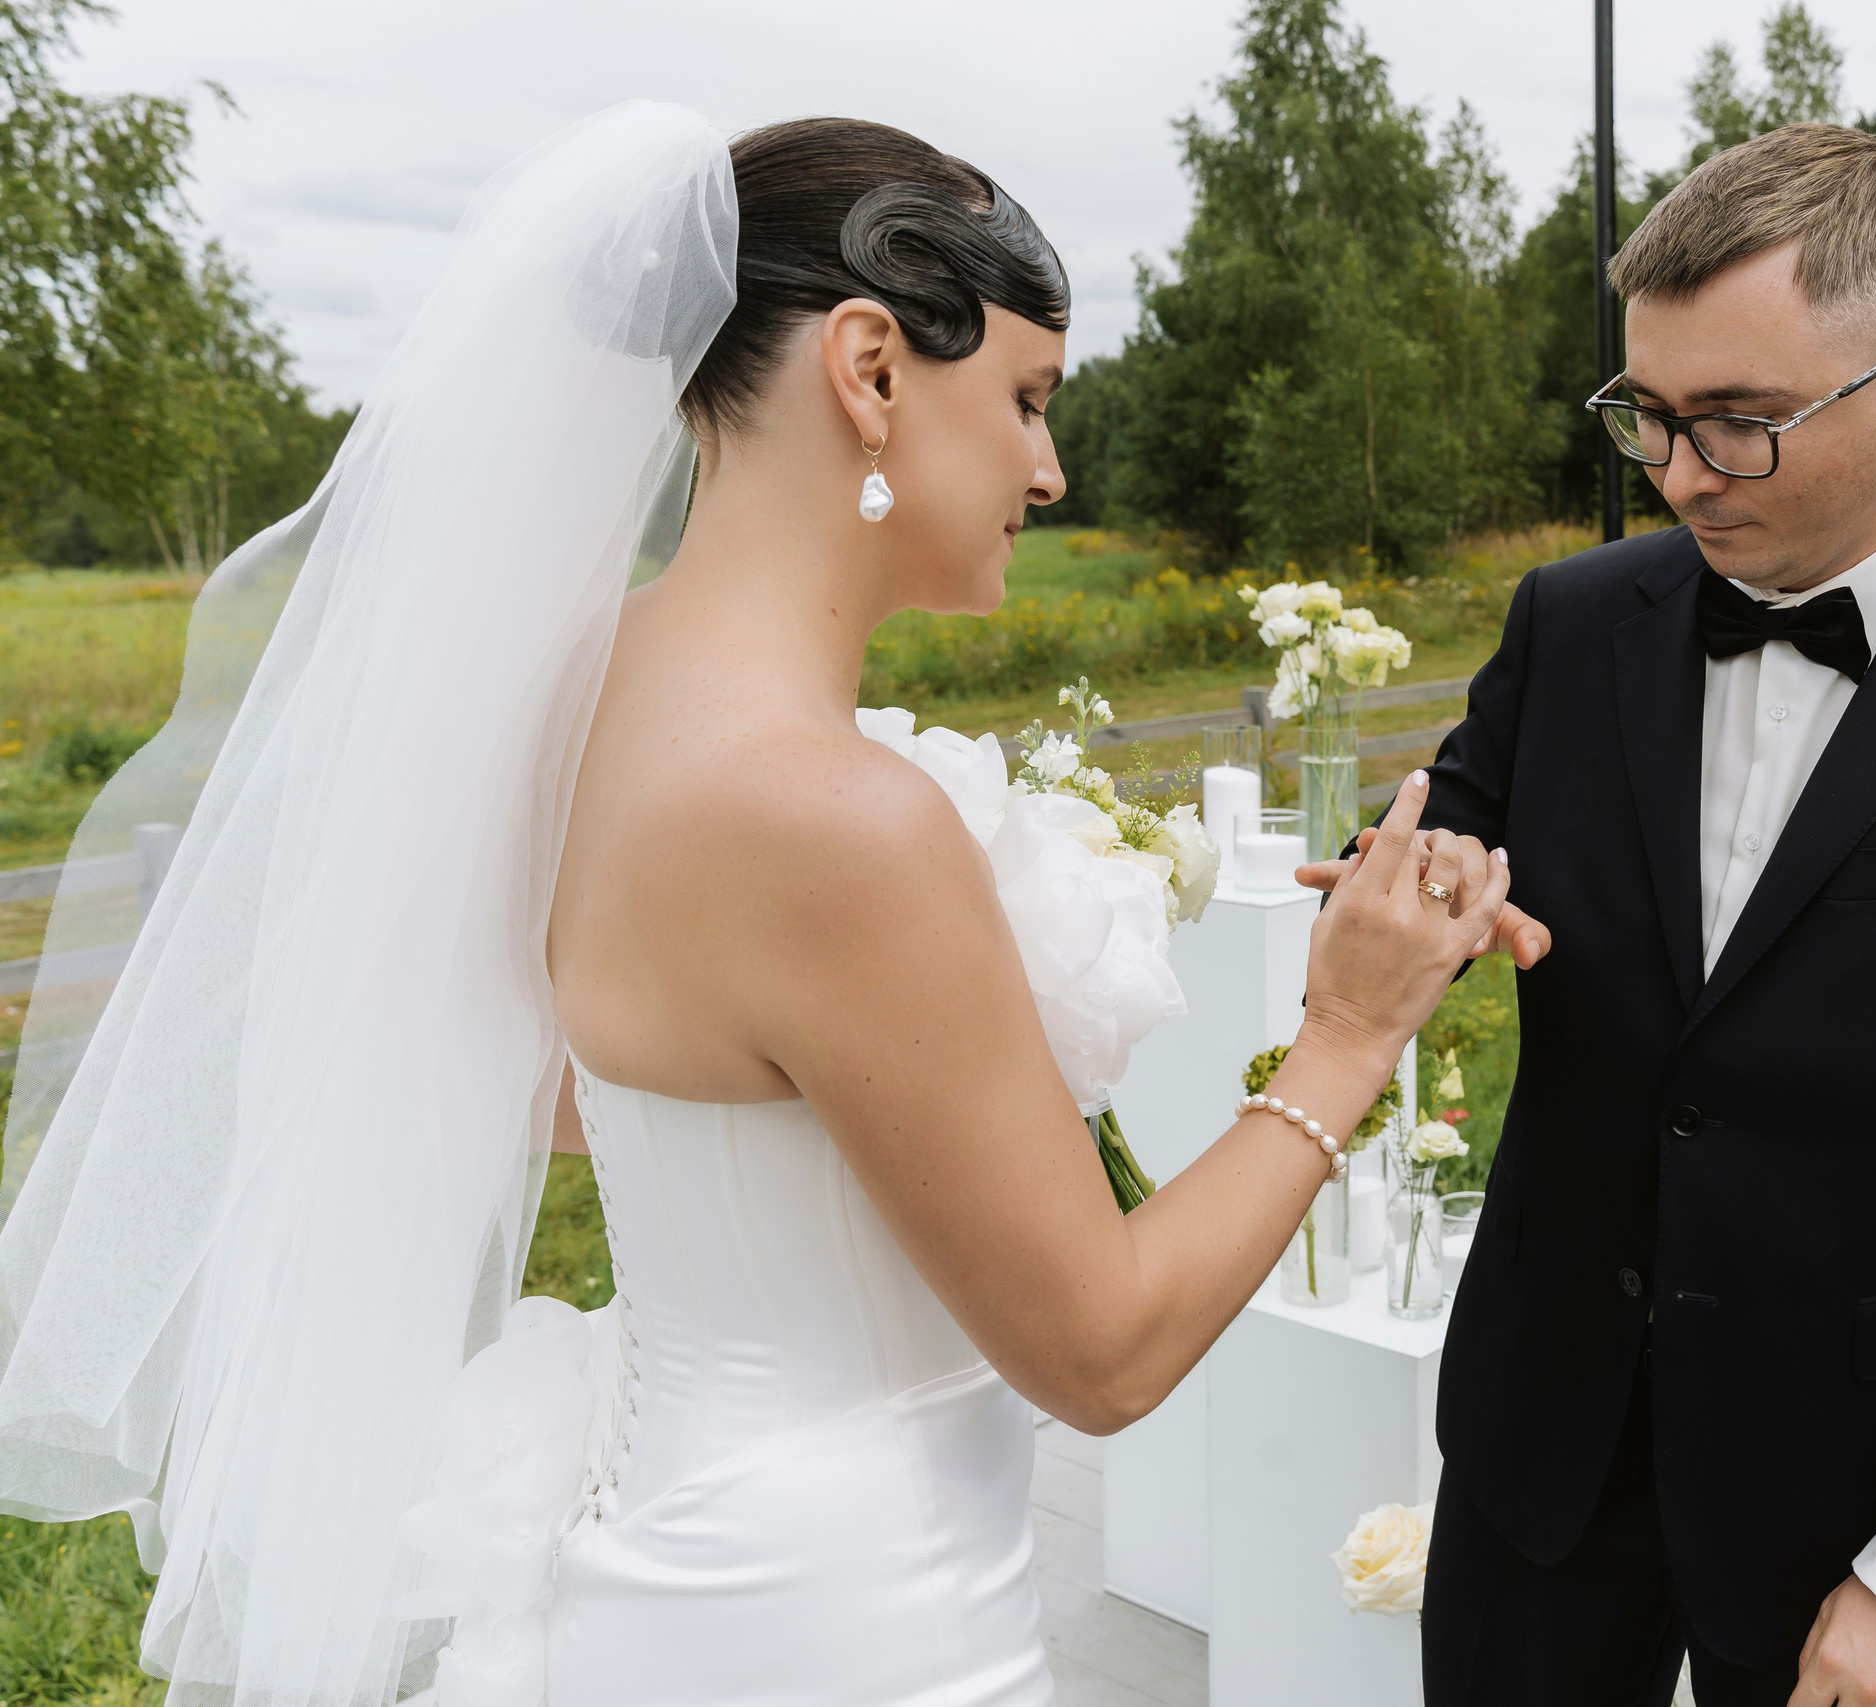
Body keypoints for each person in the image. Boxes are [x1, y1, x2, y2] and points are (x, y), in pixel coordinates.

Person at [0, 105, 1510, 1705]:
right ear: (870, 370)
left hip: (655, 1561)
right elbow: (1103, 1352)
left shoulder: (568, 698)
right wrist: (1349, 1032)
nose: (1050, 468)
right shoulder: (837, 821)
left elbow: (573, 1089)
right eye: (1025, 398)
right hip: (853, 1623)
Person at [1308, 124, 1876, 1707]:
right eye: (1647, 416)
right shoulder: (1571, 621)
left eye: (1738, 422)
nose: (1676, 475)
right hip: (1543, 1451)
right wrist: (1421, 878)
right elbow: (1446, 824)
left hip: (1864, 1509)